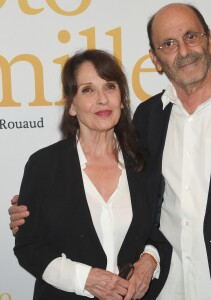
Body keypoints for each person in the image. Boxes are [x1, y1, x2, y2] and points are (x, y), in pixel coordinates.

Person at [9, 3, 211, 300]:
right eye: (169, 44)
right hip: (167, 290)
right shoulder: (150, 119)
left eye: (191, 36)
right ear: (155, 58)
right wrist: (33, 209)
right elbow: (156, 215)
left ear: (209, 41)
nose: (184, 51)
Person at [11, 49, 171, 300]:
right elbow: (28, 247)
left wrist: (150, 259)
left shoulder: (144, 163)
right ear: (72, 106)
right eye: (88, 89)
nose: (102, 99)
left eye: (109, 87)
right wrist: (84, 279)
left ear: (121, 98)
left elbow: (160, 229)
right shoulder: (43, 165)